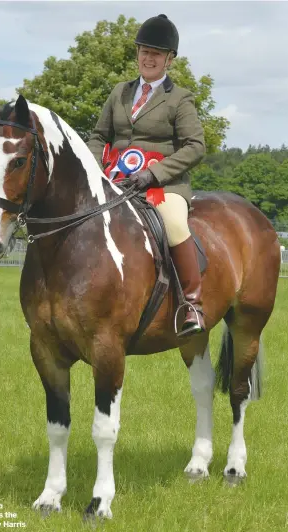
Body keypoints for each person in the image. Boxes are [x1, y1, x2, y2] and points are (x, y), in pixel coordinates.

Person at [87, 14, 206, 336]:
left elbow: (195, 146)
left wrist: (153, 174)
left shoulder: (179, 99)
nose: (148, 58)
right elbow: (99, 135)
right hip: (116, 179)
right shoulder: (119, 92)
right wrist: (97, 167)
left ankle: (191, 304)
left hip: (164, 185)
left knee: (173, 223)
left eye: (156, 53)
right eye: (144, 51)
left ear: (169, 59)